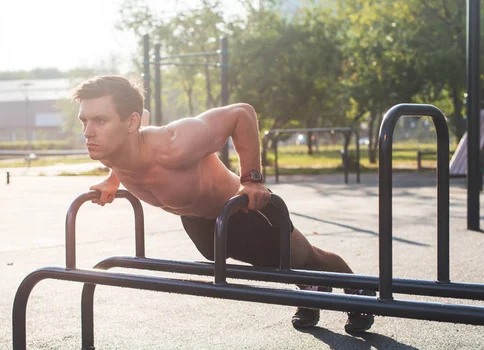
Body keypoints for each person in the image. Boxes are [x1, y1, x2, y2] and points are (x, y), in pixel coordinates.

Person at [74, 75, 374, 334]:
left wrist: (252, 179)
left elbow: (240, 113)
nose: (88, 131)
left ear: (131, 122)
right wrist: (113, 181)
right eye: (85, 120)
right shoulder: (117, 146)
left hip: (244, 212)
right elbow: (143, 121)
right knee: (277, 265)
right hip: (200, 222)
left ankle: (356, 290)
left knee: (304, 259)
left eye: (100, 120)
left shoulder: (175, 144)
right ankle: (312, 289)